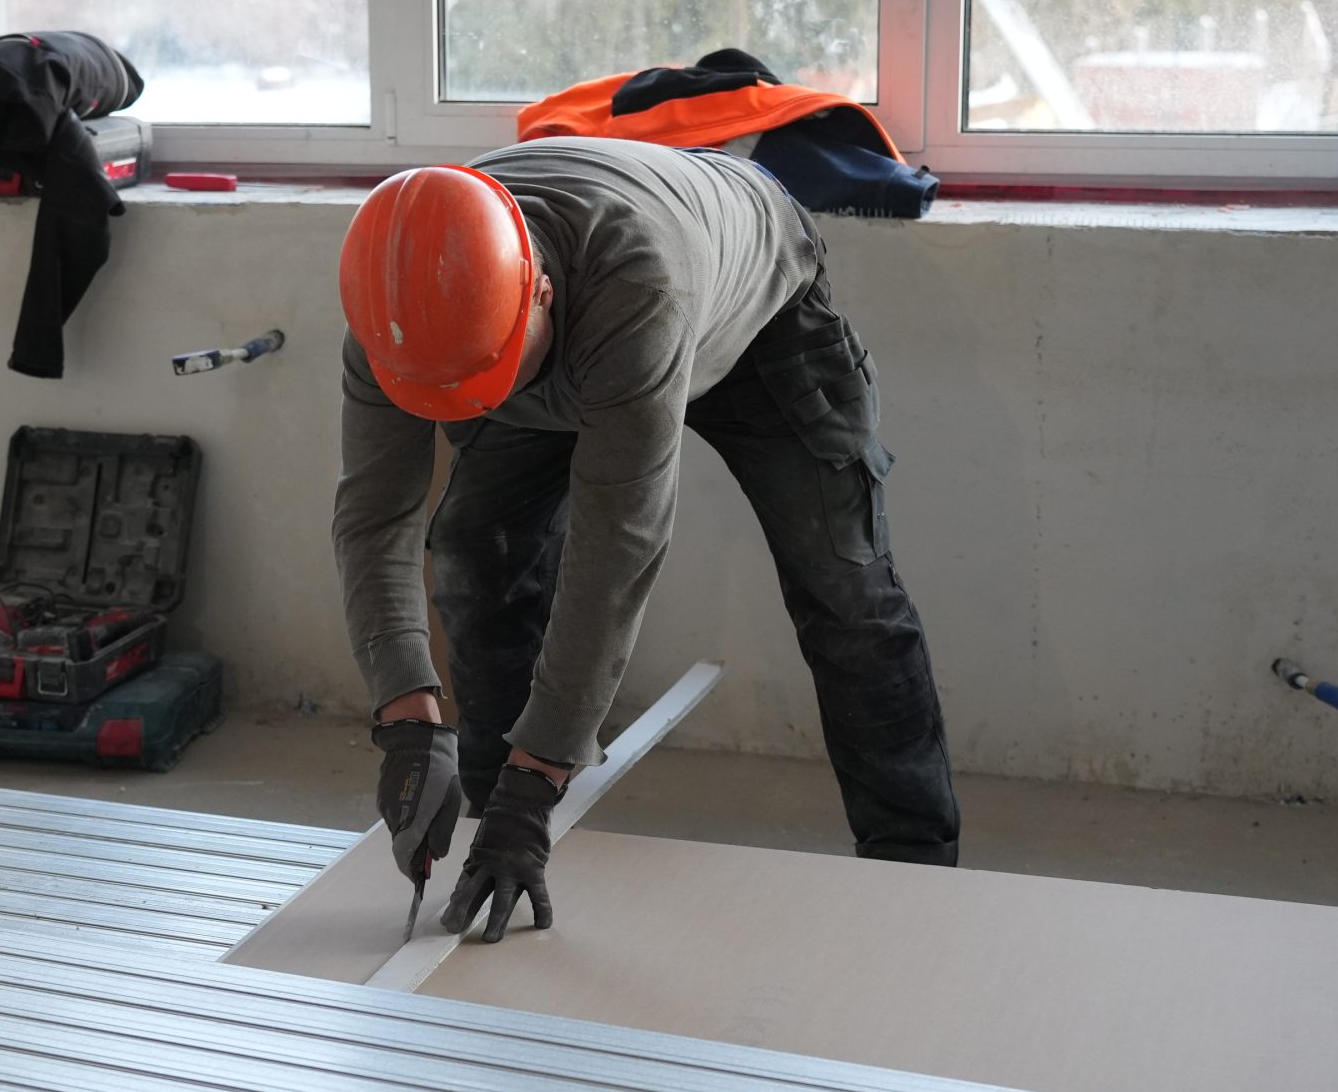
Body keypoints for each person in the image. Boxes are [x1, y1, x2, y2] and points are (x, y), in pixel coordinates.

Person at [334, 137, 961, 944]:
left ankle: (914, 870)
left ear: (539, 292)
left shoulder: (637, 287)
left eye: (483, 382)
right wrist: (407, 717)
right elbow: (376, 514)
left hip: (753, 307)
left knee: (845, 588)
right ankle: (492, 832)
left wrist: (542, 771)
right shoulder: (400, 314)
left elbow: (614, 550)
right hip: (561, 341)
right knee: (477, 556)